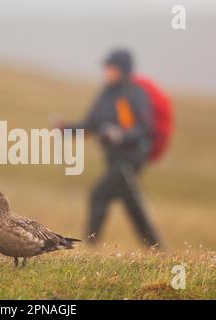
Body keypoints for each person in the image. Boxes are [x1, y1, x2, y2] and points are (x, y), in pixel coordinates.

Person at [60, 49, 162, 248]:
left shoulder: (135, 94)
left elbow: (145, 128)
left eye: (111, 68)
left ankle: (90, 246)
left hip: (129, 161)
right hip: (114, 161)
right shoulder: (106, 95)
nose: (107, 72)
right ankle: (158, 250)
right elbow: (91, 124)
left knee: (99, 195)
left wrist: (120, 135)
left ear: (123, 70)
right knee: (135, 209)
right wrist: (66, 129)